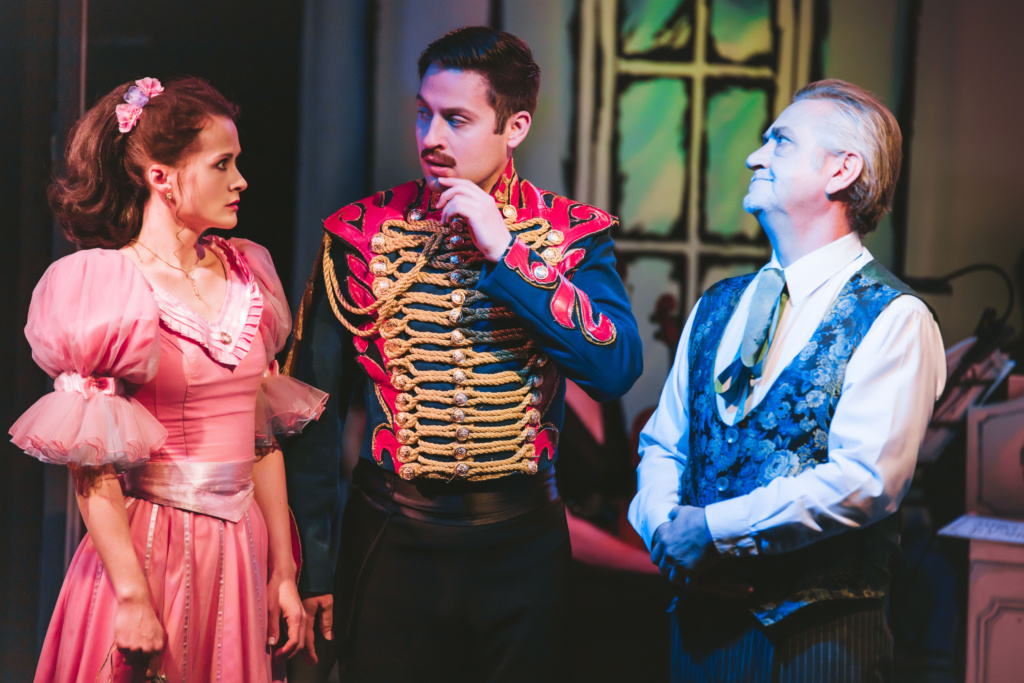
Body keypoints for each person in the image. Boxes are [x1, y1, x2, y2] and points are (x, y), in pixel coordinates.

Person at [282, 26, 642, 682]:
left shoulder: (571, 235)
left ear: (515, 126)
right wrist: (316, 567)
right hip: (391, 538)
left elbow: (614, 369)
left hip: (522, 545)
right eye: (423, 113)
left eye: (456, 119)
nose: (431, 137)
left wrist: (509, 251)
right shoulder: (358, 233)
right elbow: (311, 414)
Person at [628, 79, 946, 682]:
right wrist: (665, 529)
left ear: (841, 170)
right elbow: (664, 444)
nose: (755, 156)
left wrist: (714, 530)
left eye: (780, 141)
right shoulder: (718, 304)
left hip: (818, 641)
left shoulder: (893, 316)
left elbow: (866, 480)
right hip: (698, 631)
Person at [10, 76, 326, 682]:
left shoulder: (247, 271)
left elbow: (261, 441)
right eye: (222, 164)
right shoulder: (108, 285)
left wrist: (283, 572)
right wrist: (132, 596)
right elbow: (92, 464)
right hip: (151, 546)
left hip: (241, 547)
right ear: (162, 177)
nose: (241, 180)